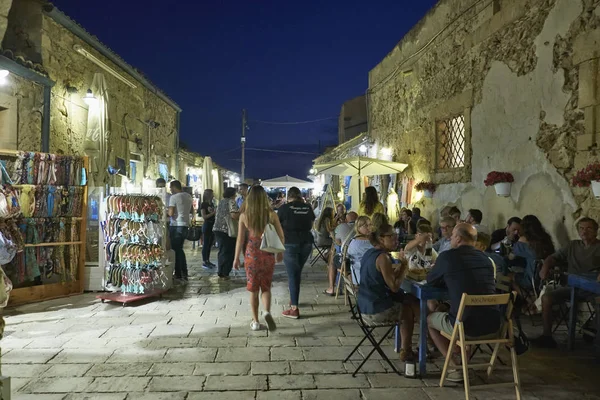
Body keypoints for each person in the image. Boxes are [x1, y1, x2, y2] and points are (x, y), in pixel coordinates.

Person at [427, 223, 501, 382]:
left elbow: (431, 281)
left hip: (465, 326)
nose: (451, 238)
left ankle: (455, 367)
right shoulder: (486, 260)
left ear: (459, 239)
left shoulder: (447, 257)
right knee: (470, 310)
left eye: (453, 235)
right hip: (494, 325)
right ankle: (462, 356)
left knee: (430, 320)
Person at [534, 217, 600, 348]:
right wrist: (545, 267)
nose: (584, 232)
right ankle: (547, 336)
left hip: (592, 289)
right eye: (581, 228)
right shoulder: (573, 245)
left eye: (588, 229)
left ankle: (593, 330)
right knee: (547, 298)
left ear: (596, 231)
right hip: (572, 287)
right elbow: (553, 257)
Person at [357, 222, 417, 361]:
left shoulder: (370, 253)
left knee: (410, 301)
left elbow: (381, 277)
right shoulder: (383, 258)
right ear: (381, 238)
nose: (396, 239)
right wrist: (404, 265)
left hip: (363, 305)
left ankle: (426, 340)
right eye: (392, 236)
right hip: (375, 311)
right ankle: (407, 350)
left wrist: (398, 269)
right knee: (408, 310)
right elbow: (394, 287)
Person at [233, 185, 285, 331]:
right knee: (266, 287)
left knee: (253, 289)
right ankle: (267, 312)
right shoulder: (271, 215)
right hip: (267, 254)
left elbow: (240, 239)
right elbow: (281, 235)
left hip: (251, 255)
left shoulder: (244, 216)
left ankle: (255, 321)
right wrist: (280, 252)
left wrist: (236, 258)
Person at [278, 186, 316, 319]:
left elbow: (278, 226)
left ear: (289, 196)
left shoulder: (284, 209)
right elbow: (311, 225)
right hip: (306, 243)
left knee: (293, 274)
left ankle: (294, 308)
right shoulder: (307, 207)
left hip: (290, 243)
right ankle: (293, 298)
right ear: (299, 195)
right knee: (296, 272)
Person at [508, 215, 554, 296]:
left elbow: (511, 257)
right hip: (546, 279)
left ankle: (528, 300)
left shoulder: (523, 241)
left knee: (509, 276)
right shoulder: (546, 238)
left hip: (531, 280)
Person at [168, 180, 193, 281]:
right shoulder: (188, 196)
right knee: (180, 249)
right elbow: (191, 210)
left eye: (170, 188)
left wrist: (165, 211)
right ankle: (184, 272)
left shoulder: (173, 197)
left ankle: (179, 273)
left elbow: (170, 213)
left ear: (174, 187)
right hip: (184, 224)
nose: (170, 190)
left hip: (176, 225)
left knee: (176, 250)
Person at [213, 187, 240, 279]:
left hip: (217, 228)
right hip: (227, 229)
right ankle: (225, 272)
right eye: (235, 194)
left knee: (222, 251)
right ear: (232, 194)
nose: (236, 195)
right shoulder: (231, 201)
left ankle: (221, 270)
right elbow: (234, 215)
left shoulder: (221, 201)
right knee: (229, 251)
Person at [346, 216, 373, 284]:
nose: (369, 228)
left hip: (355, 276)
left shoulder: (353, 240)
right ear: (358, 227)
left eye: (370, 225)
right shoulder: (365, 242)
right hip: (366, 277)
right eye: (366, 226)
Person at [200, 189, 216, 269]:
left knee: (210, 244)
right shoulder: (204, 204)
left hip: (212, 225)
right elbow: (204, 216)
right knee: (206, 244)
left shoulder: (212, 203)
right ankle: (204, 261)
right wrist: (213, 213)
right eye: (212, 194)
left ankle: (208, 260)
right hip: (207, 225)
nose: (213, 195)